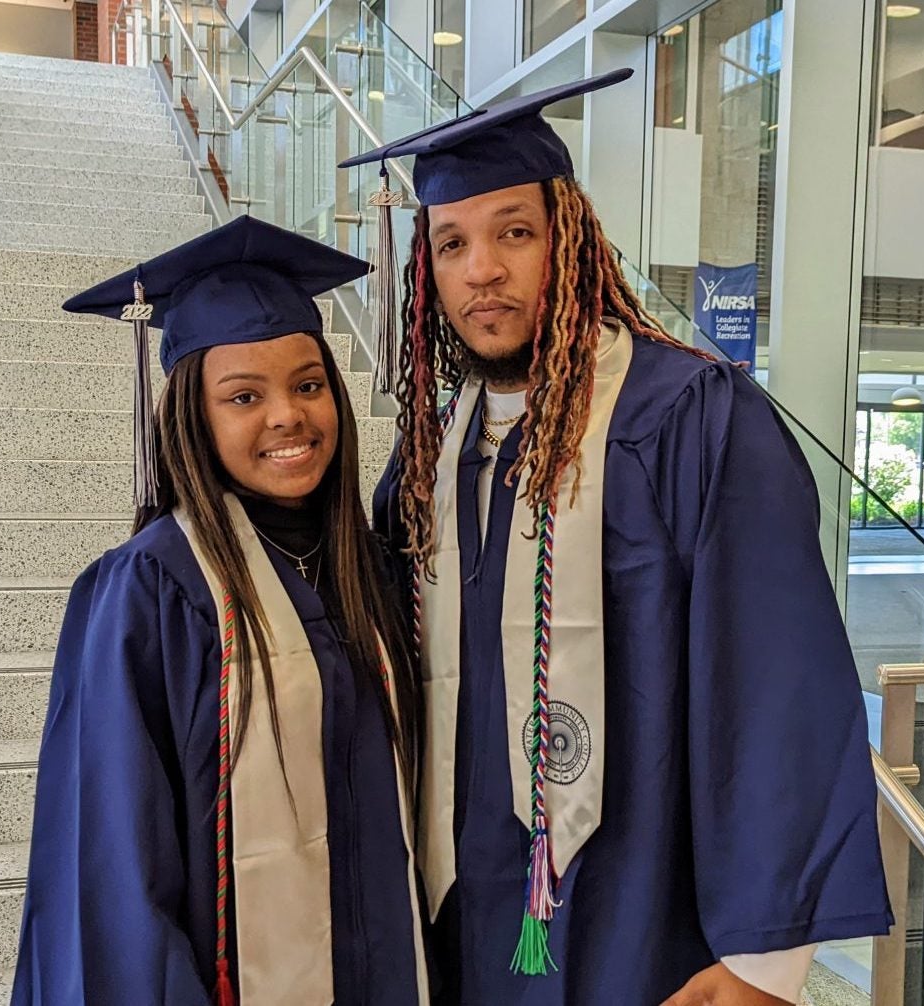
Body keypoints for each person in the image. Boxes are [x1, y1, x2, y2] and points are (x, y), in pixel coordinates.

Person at [345, 70, 893, 1005]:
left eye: (513, 231)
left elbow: (776, 681)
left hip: (640, 923)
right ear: (426, 272)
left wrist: (763, 964)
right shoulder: (432, 456)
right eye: (451, 243)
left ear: (570, 235)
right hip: (453, 925)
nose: (482, 268)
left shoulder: (691, 419)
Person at [11, 216, 428, 1006]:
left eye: (308, 385)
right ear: (193, 416)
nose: (288, 417)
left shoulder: (371, 568)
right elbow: (112, 875)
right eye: (244, 396)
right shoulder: (149, 593)